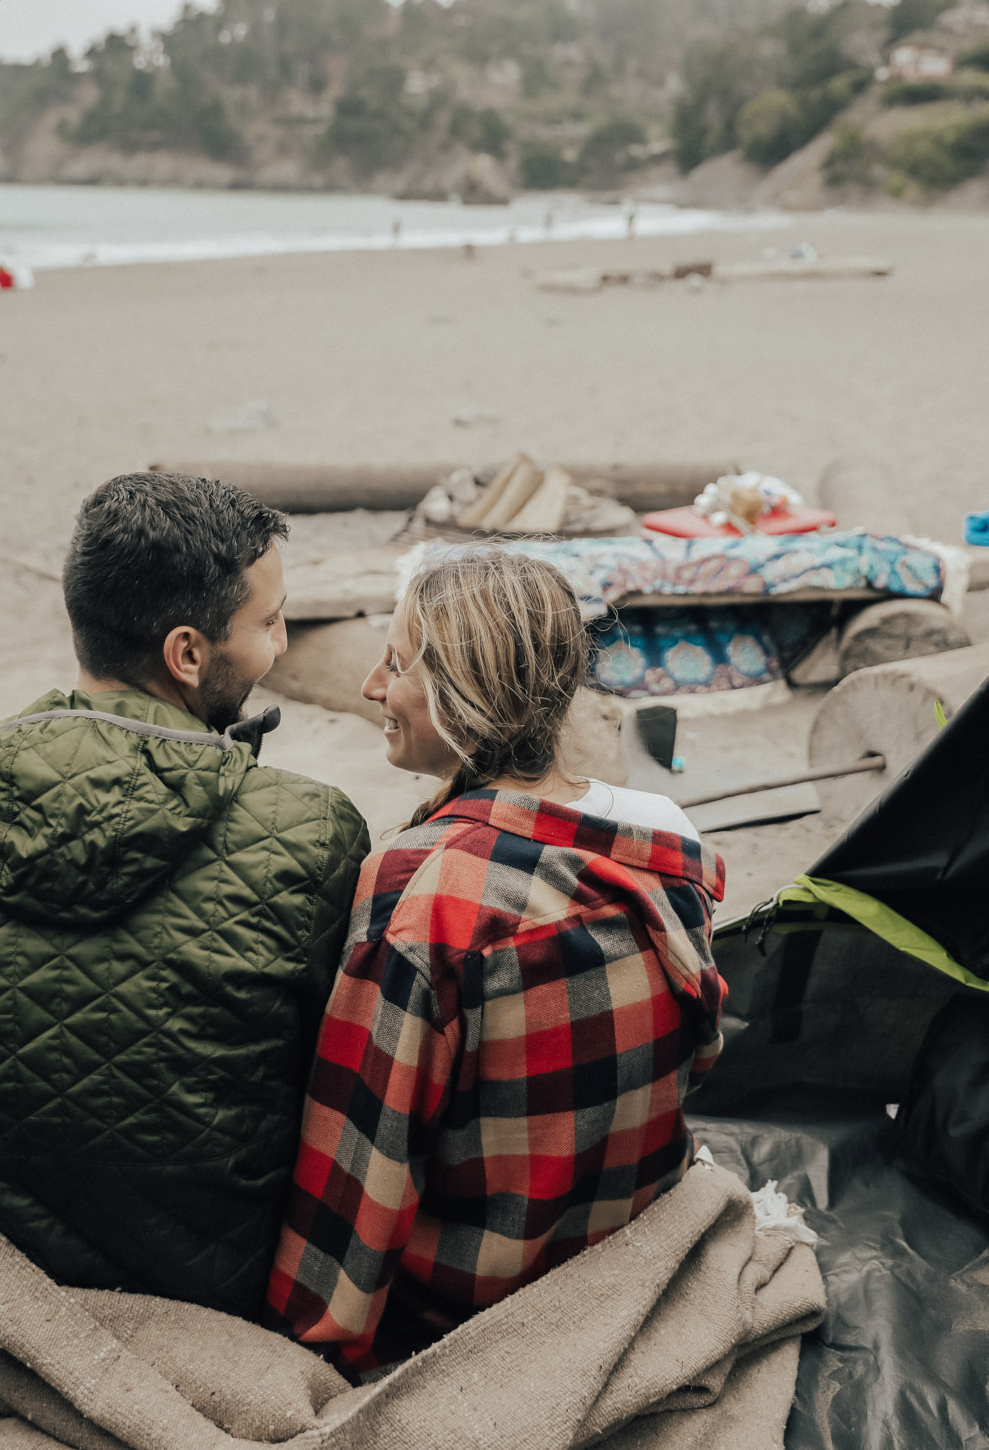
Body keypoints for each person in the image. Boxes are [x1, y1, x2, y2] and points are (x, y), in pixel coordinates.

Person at [0, 472, 369, 1318]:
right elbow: (335, 1090)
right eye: (270, 623)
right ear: (187, 654)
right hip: (213, 1288)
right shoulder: (310, 830)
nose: (280, 646)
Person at [266, 549, 726, 1371]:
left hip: (476, 1304)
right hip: (627, 1252)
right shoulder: (665, 841)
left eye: (397, 662)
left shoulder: (428, 893)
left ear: (462, 696)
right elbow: (702, 1053)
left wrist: (309, 1346)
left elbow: (367, 1157)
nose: (371, 685)